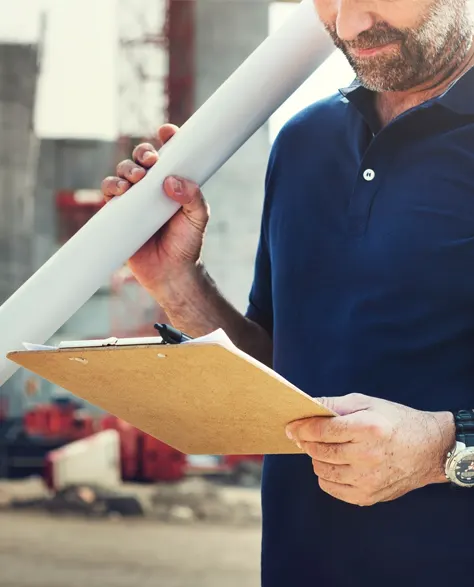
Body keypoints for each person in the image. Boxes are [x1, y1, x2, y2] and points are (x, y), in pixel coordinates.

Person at [101, 0, 474, 585]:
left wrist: (446, 451)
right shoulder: (305, 141)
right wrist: (176, 282)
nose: (348, 24)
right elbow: (280, 370)